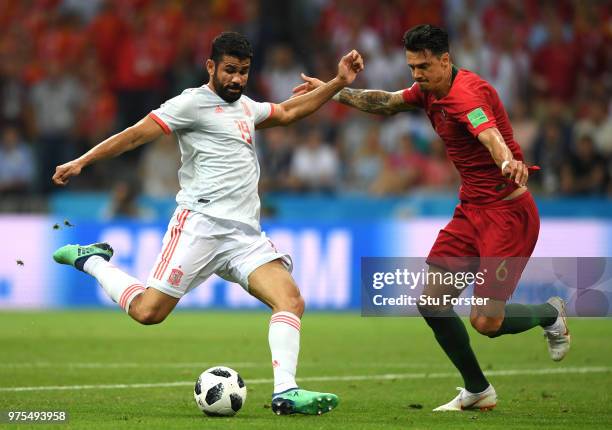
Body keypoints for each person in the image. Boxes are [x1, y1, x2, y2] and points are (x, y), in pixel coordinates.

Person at [52, 32, 364, 416]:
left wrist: (338, 84)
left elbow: (288, 112)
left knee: (291, 301)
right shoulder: (190, 104)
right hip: (199, 226)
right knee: (148, 313)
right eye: (230, 70)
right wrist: (81, 161)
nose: (236, 79)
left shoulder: (246, 107)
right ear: (211, 67)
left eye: (244, 72)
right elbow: (134, 136)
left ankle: (286, 391)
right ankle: (92, 260)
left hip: (244, 236)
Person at [293, 24, 570, 412]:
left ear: (445, 60)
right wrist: (330, 90)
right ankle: (478, 390)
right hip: (470, 210)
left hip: (507, 214)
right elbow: (386, 102)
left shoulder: (465, 95)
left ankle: (549, 313)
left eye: (424, 66)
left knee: (486, 322)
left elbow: (489, 135)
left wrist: (508, 161)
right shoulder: (429, 91)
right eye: (412, 67)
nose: (417, 75)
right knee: (432, 301)